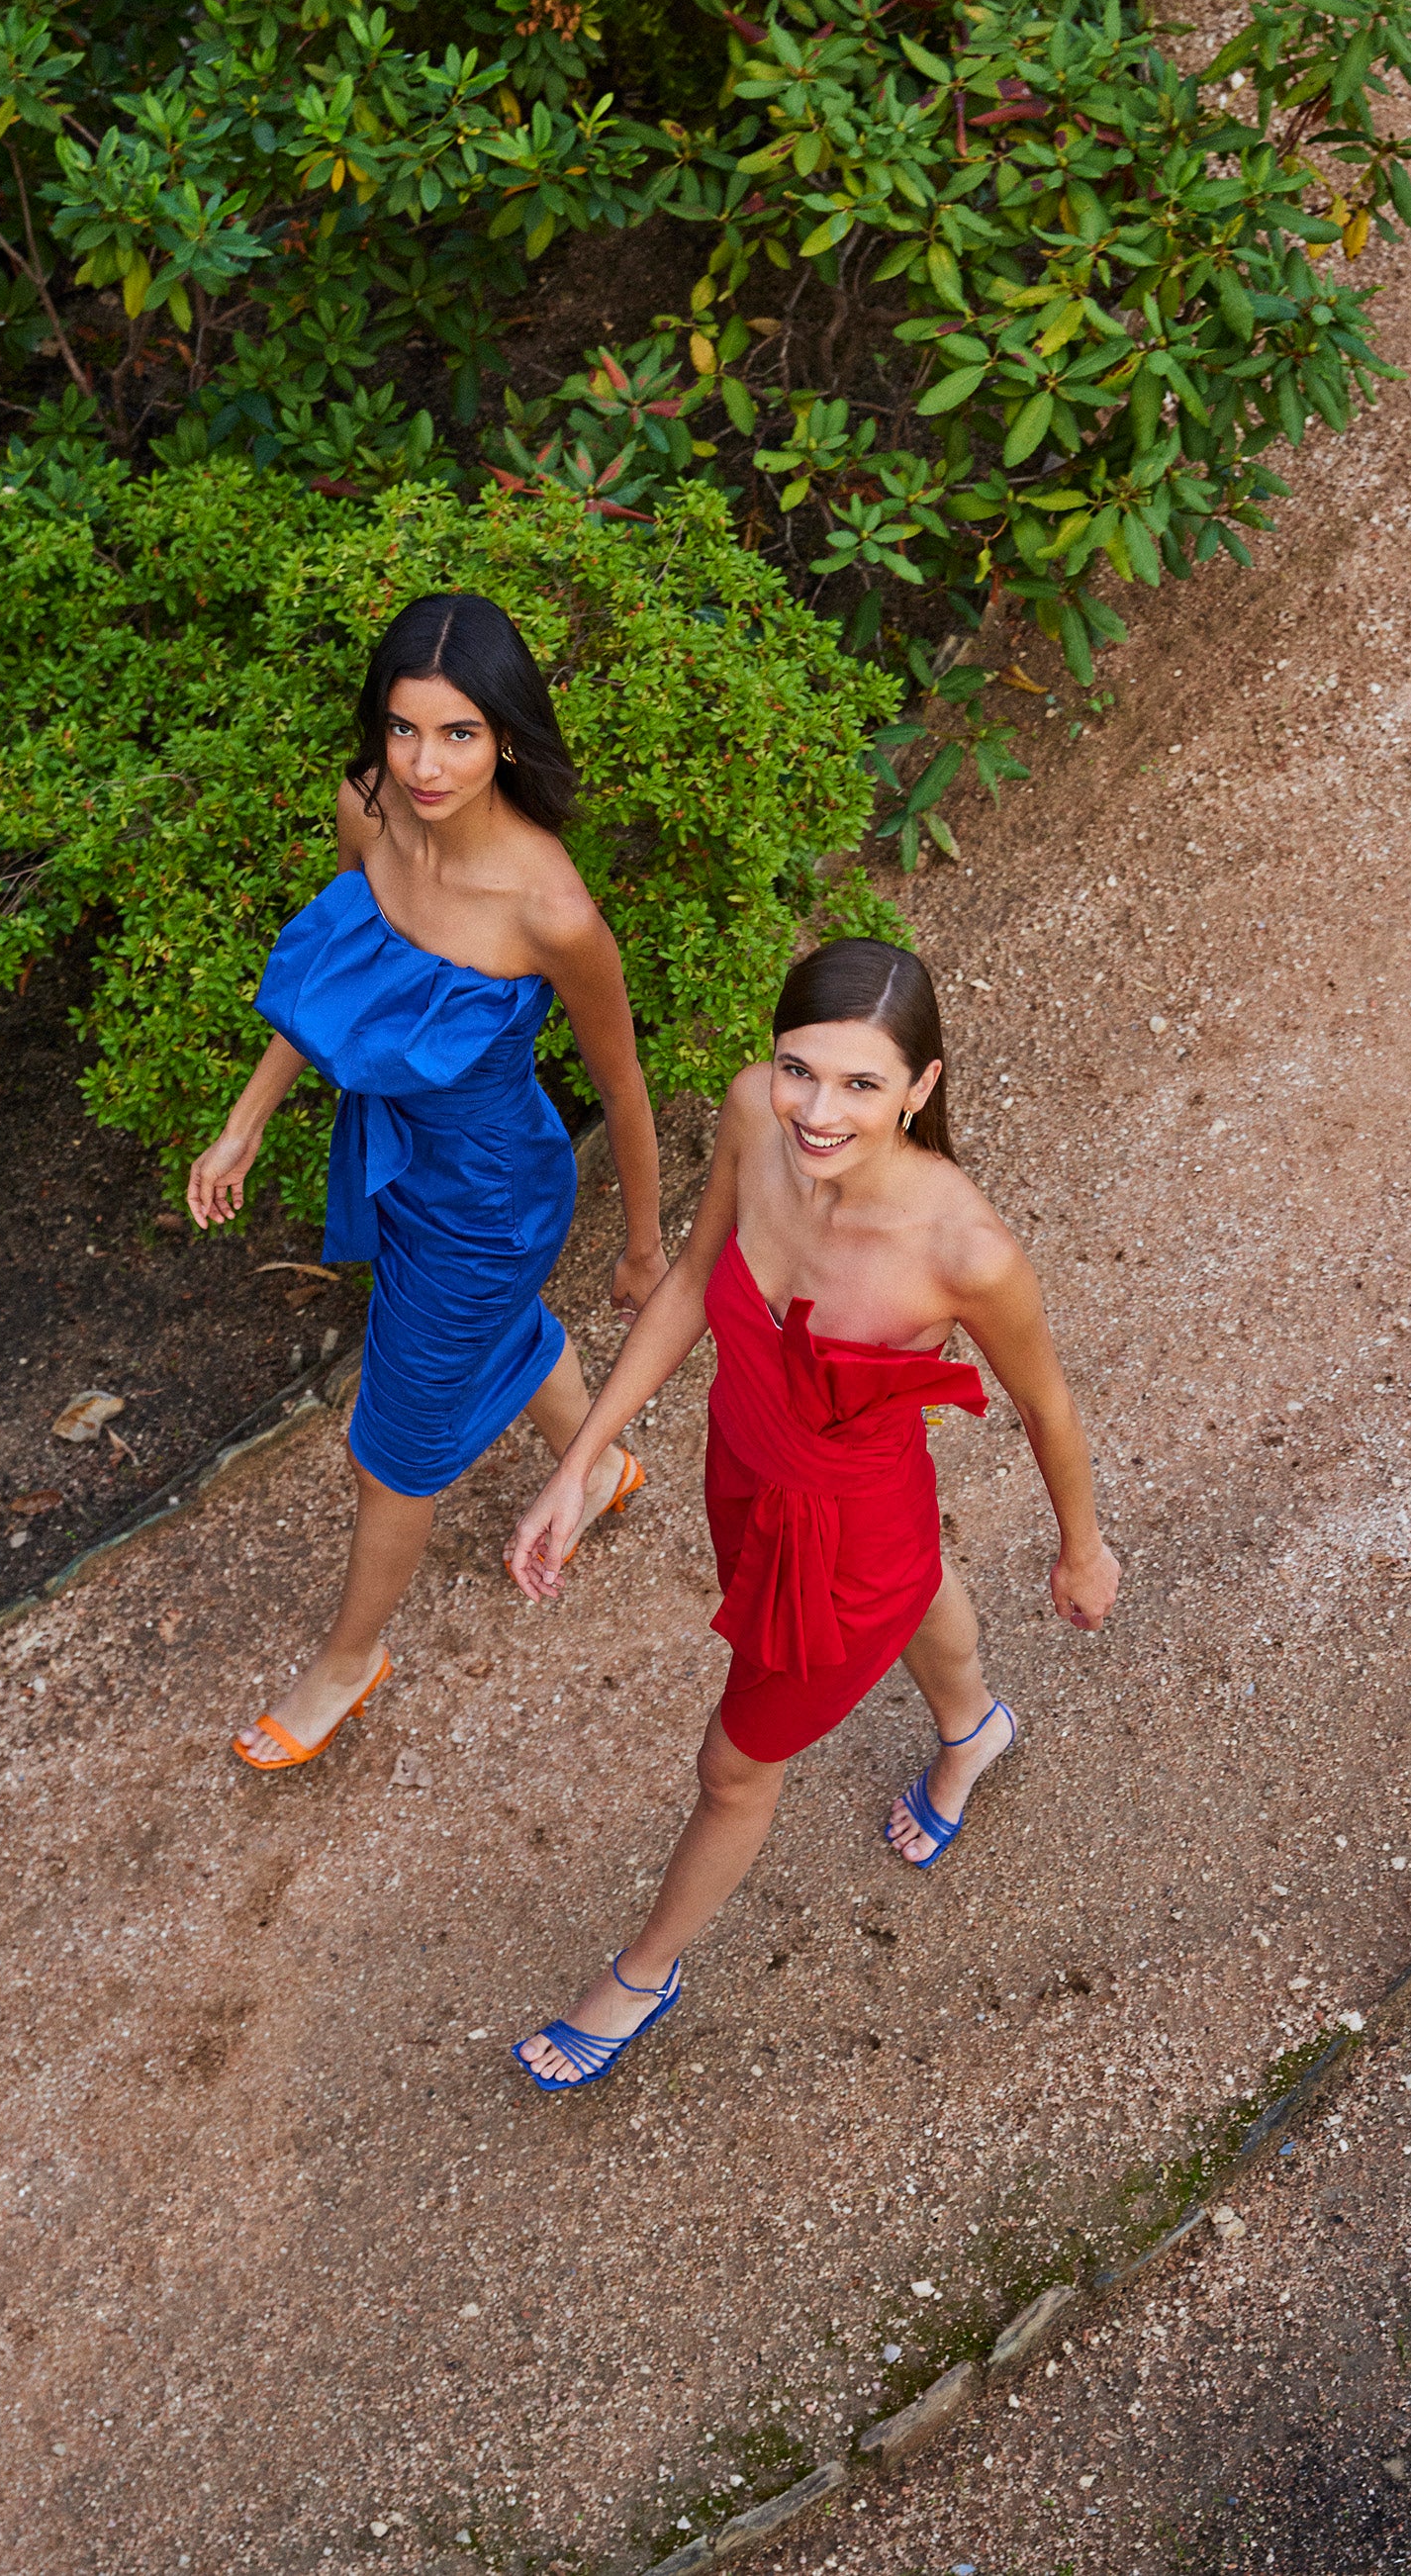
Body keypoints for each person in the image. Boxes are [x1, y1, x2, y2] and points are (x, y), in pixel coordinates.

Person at [503, 936, 1118, 2088]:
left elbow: (1047, 1406)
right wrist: (580, 1462)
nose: (815, 1111)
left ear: (922, 1087)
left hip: (847, 1540)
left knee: (734, 1768)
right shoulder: (753, 1112)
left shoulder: (966, 1252)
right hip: (743, 1467)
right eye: (799, 1068)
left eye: (860, 1084)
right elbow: (691, 1281)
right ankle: (972, 1724)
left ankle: (644, 1972)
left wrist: (1082, 1549)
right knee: (918, 1580)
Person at [188, 592, 667, 1771]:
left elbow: (623, 1091)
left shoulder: (552, 908)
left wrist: (646, 1248)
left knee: (391, 1444)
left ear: (505, 732)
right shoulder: (368, 810)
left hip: (491, 1196)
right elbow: (346, 978)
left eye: (457, 733)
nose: (425, 762)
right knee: (477, 1339)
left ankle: (350, 1657)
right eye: (404, 730)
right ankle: (597, 1464)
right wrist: (245, 1121)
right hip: (395, 1154)